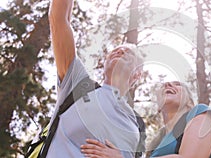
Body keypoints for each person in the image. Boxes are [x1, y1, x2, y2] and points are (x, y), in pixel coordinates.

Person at [41, 0, 144, 157]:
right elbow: (59, 19)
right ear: (104, 65)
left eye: (128, 53)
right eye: (115, 50)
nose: (120, 51)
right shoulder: (78, 84)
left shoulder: (136, 126)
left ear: (137, 75)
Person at [80, 81, 211, 158]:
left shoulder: (200, 113)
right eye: (163, 87)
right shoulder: (157, 143)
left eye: (177, 84)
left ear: (190, 102)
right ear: (158, 107)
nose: (168, 85)